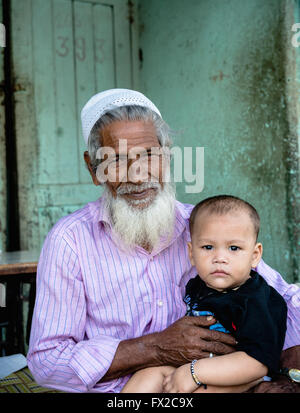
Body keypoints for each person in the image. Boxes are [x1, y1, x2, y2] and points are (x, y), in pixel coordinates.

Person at [27, 89, 300, 393]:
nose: (138, 174)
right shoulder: (71, 240)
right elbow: (47, 362)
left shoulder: (202, 227)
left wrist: (282, 372)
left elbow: (285, 299)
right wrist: (154, 348)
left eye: (149, 155)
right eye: (117, 160)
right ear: (94, 169)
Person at [121, 195, 287, 393]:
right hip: (195, 369)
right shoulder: (197, 286)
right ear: (192, 254)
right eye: (208, 247)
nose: (219, 258)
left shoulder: (255, 300)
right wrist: (190, 372)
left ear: (255, 255)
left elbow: (257, 364)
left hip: (243, 378)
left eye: (234, 248)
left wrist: (194, 372)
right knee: (149, 375)